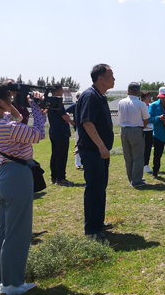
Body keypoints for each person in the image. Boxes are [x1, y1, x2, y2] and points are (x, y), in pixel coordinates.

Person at [0, 82, 46, 295]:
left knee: (4, 230)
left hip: (5, 176)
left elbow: (17, 119)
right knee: (18, 231)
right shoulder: (6, 126)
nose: (12, 102)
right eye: (9, 98)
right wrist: (34, 106)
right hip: (18, 176)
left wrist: (15, 103)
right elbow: (39, 134)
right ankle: (13, 283)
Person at [76, 64, 115, 240]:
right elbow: (87, 123)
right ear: (100, 78)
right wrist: (101, 146)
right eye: (111, 75)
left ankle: (98, 222)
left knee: (100, 187)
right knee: (93, 189)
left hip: (100, 151)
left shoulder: (100, 96)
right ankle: (92, 230)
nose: (114, 79)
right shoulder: (90, 96)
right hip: (93, 151)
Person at [118, 82, 150, 188]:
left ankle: (132, 178)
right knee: (138, 156)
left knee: (128, 157)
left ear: (128, 91)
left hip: (123, 130)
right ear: (138, 92)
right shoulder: (141, 104)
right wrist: (142, 127)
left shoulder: (121, 102)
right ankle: (136, 180)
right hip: (136, 130)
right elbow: (146, 119)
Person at [47, 85, 74, 186]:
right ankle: (61, 178)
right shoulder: (57, 102)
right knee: (62, 156)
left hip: (53, 132)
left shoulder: (49, 102)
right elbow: (65, 117)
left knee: (55, 155)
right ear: (58, 91)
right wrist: (71, 121)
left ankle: (53, 178)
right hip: (61, 133)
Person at [66, 92, 82, 170]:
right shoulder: (75, 106)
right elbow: (65, 112)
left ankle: (84, 161)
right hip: (78, 128)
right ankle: (78, 163)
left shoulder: (86, 105)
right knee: (78, 144)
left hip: (87, 128)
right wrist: (70, 121)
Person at [140, 92, 154, 173]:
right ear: (143, 98)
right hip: (142, 130)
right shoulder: (141, 106)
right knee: (141, 148)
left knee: (148, 148)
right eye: (148, 97)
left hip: (150, 130)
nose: (149, 98)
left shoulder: (151, 106)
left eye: (150, 96)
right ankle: (141, 164)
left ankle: (146, 164)